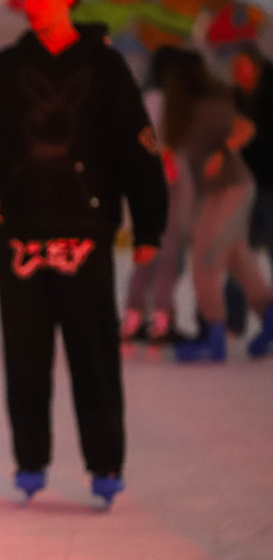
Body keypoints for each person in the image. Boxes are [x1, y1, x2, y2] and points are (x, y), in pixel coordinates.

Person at [0, 0, 169, 505]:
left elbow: (137, 148)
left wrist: (148, 228)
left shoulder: (104, 64)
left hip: (85, 228)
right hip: (21, 228)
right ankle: (30, 461)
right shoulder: (9, 64)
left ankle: (105, 465)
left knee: (93, 352)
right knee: (26, 354)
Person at [171, 51, 273, 362]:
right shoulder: (191, 111)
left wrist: (221, 151)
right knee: (237, 255)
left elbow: (245, 128)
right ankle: (268, 317)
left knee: (206, 256)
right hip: (226, 188)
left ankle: (214, 335)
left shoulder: (210, 106)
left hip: (232, 187)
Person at [121, 46, 194, 345]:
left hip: (148, 184)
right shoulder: (165, 101)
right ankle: (161, 319)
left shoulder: (145, 99)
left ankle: (133, 316)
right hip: (168, 183)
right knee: (166, 253)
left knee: (149, 252)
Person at [225, 44, 273, 335]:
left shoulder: (268, 100)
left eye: (244, 66)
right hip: (244, 189)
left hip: (268, 188)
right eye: (236, 68)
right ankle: (234, 320)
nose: (239, 73)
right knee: (238, 253)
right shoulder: (234, 99)